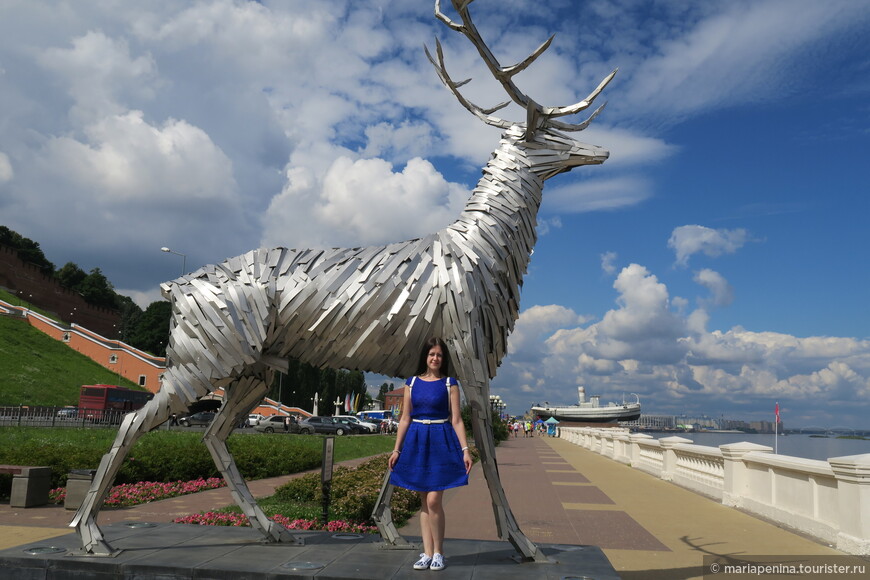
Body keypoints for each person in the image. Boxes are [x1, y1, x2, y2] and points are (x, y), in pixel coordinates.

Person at [389, 337, 472, 572]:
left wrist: (465, 450)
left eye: (439, 355)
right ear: (425, 357)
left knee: (435, 500)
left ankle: (439, 552)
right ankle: (426, 553)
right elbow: (405, 417)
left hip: (441, 440)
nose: (435, 358)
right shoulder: (412, 383)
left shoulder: (449, 384)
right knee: (424, 501)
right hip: (417, 440)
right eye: (431, 354)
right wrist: (397, 449)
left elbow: (456, 419)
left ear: (443, 359)